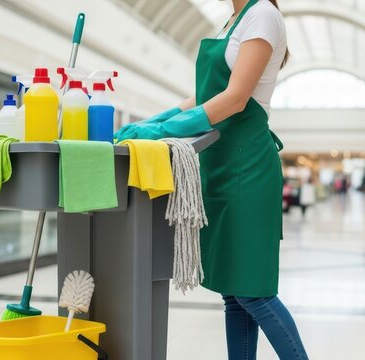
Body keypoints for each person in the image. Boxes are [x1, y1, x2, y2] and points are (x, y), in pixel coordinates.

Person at [115, 1, 309, 358]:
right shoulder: (232, 22)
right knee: (233, 294)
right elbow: (202, 98)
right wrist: (154, 120)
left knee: (255, 292)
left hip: (248, 167)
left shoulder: (262, 15)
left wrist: (162, 130)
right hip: (219, 164)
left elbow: (235, 99)